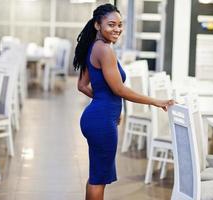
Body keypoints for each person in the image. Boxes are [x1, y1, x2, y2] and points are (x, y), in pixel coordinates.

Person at [73, 3, 175, 200]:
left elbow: (82, 85)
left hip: (95, 119)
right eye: (111, 24)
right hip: (101, 122)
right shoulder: (105, 50)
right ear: (97, 25)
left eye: (120, 25)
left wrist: (108, 104)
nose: (117, 29)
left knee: (96, 176)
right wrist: (156, 101)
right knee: (98, 178)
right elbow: (119, 89)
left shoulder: (94, 47)